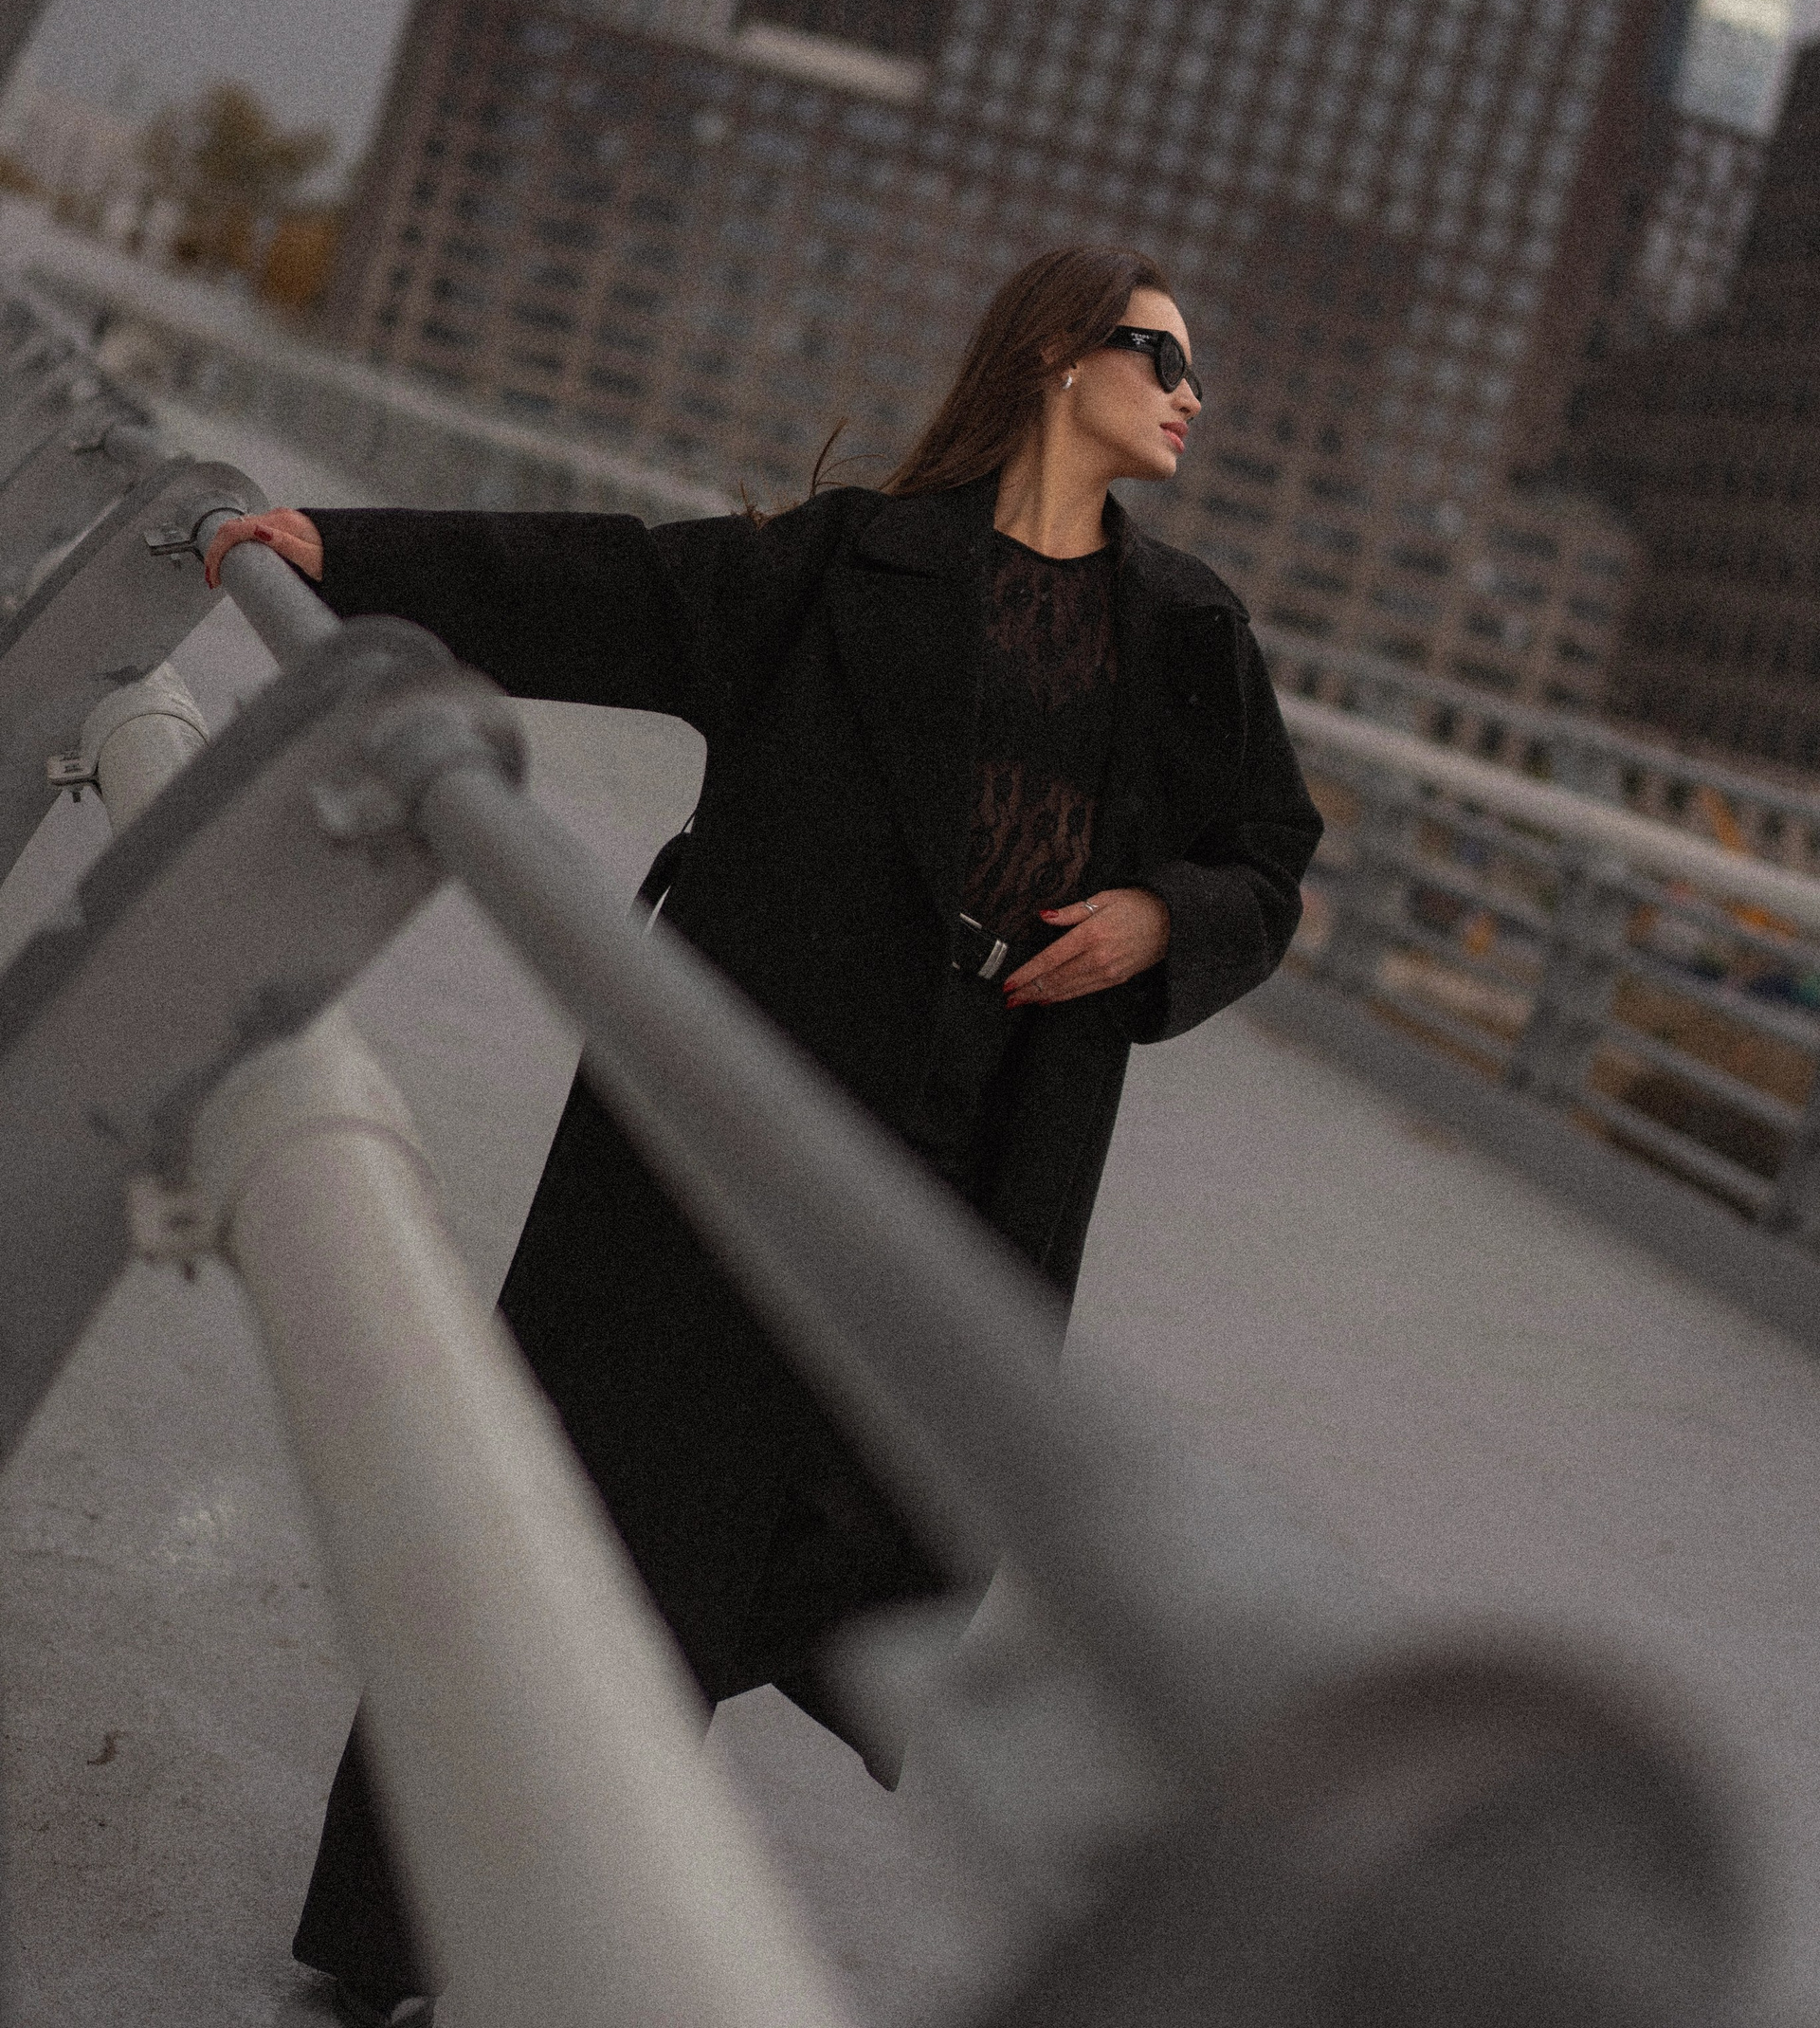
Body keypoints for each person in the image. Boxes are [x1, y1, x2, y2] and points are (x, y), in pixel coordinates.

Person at [205, 245, 1321, 2026]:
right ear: (1056, 355)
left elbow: (1268, 858)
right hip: (737, 1116)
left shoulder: (1188, 633)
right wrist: (340, 551)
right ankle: (391, 1951)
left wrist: (1160, 920)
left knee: (828, 1528)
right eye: (1160, 356)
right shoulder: (846, 565)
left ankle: (567, 1915)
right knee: (590, 1509)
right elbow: (609, 586)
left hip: (983, 1151)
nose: (1192, 394)